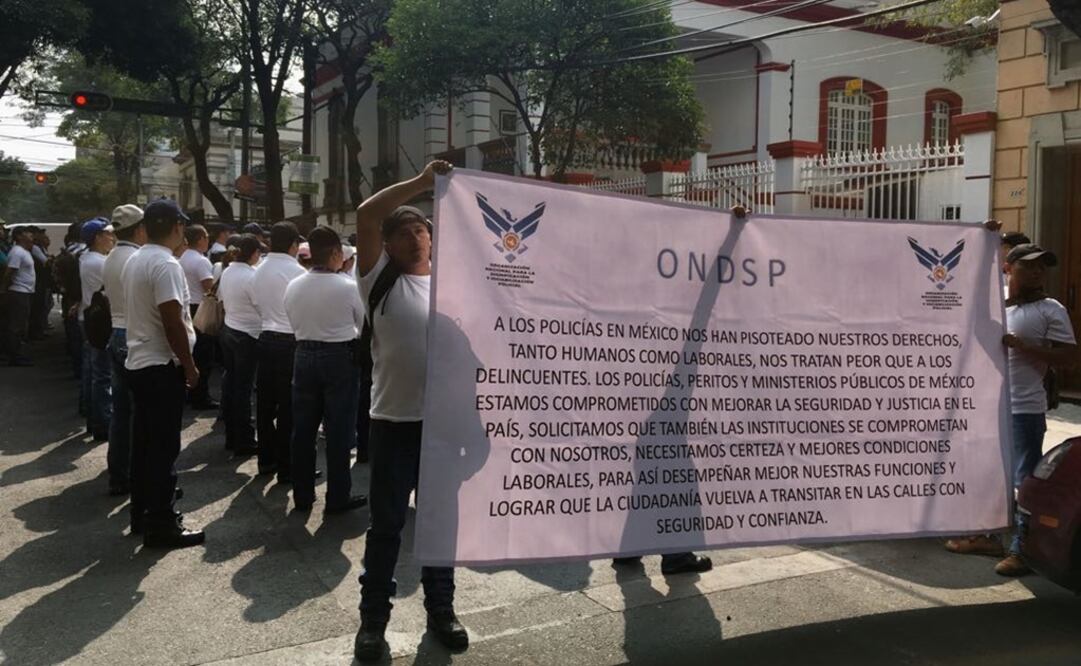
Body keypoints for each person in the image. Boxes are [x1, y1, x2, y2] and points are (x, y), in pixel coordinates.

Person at [352, 161, 467, 661]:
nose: (417, 238)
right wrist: (422, 184)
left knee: (440, 526)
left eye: (423, 229)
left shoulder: (453, 285)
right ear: (388, 244)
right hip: (395, 425)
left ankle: (442, 611)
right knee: (387, 528)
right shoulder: (377, 281)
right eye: (405, 232)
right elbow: (365, 210)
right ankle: (373, 622)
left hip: (443, 428)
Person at [122, 198, 205, 549]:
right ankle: (162, 523)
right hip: (160, 365)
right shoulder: (165, 264)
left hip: (140, 362)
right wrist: (188, 364)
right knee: (163, 447)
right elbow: (172, 319)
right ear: (176, 227)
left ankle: (142, 512)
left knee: (143, 444)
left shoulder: (135, 258)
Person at [996, 244, 1076, 576]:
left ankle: (1021, 551)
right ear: (1008, 268)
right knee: (991, 477)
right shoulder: (995, 299)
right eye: (1029, 266)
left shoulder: (1050, 309)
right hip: (986, 408)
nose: (1037, 272)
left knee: (1023, 480)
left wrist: (1025, 346)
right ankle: (988, 535)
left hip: (1024, 408)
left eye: (1042, 267)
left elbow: (1069, 357)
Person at [283, 225, 367, 515]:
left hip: (303, 354)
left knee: (303, 431)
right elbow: (362, 325)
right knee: (339, 430)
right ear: (334, 253)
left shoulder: (293, 285)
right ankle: (337, 497)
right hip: (339, 357)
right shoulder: (347, 286)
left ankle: (303, 496)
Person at [252, 222, 306, 480]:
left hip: (265, 338)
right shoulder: (296, 271)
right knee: (288, 407)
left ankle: (266, 460)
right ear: (294, 244)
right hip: (290, 340)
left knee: (264, 404)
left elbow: (254, 303)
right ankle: (287, 466)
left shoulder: (258, 269)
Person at [102, 204, 146, 496]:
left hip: (116, 332)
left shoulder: (111, 257)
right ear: (140, 229)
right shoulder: (135, 258)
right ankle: (135, 474)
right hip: (133, 335)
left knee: (121, 411)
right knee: (141, 413)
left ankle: (119, 473)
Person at [218, 234, 262, 456]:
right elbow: (260, 305)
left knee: (232, 384)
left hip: (230, 329)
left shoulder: (228, 270)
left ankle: (231, 435)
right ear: (253, 253)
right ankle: (243, 439)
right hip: (248, 334)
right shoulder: (251, 276)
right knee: (243, 390)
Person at [78, 218, 116, 441]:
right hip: (100, 321)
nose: (111, 238)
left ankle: (94, 420)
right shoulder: (100, 262)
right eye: (108, 234)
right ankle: (102, 424)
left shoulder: (88, 258)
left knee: (93, 371)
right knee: (102, 376)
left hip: (90, 318)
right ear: (97, 238)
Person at [179, 224, 218, 409]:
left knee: (192, 352)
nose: (208, 241)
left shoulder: (182, 257)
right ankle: (200, 396)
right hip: (201, 308)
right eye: (207, 237)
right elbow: (209, 287)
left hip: (187, 308)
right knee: (204, 356)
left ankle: (190, 393)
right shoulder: (201, 261)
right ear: (200, 239)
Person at [1, 225, 37, 366]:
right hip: (18, 291)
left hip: (25, 291)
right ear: (19, 236)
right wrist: (4, 289)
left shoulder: (25, 251)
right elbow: (10, 272)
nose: (30, 235)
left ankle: (19, 353)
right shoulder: (17, 252)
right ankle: (15, 355)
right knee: (17, 325)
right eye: (27, 233)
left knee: (22, 324)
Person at [29, 227, 52, 340]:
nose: (43, 237)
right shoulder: (35, 248)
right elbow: (45, 262)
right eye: (40, 234)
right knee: (38, 307)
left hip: (40, 280)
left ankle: (38, 329)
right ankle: (35, 332)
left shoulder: (39, 247)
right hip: (38, 281)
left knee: (41, 306)